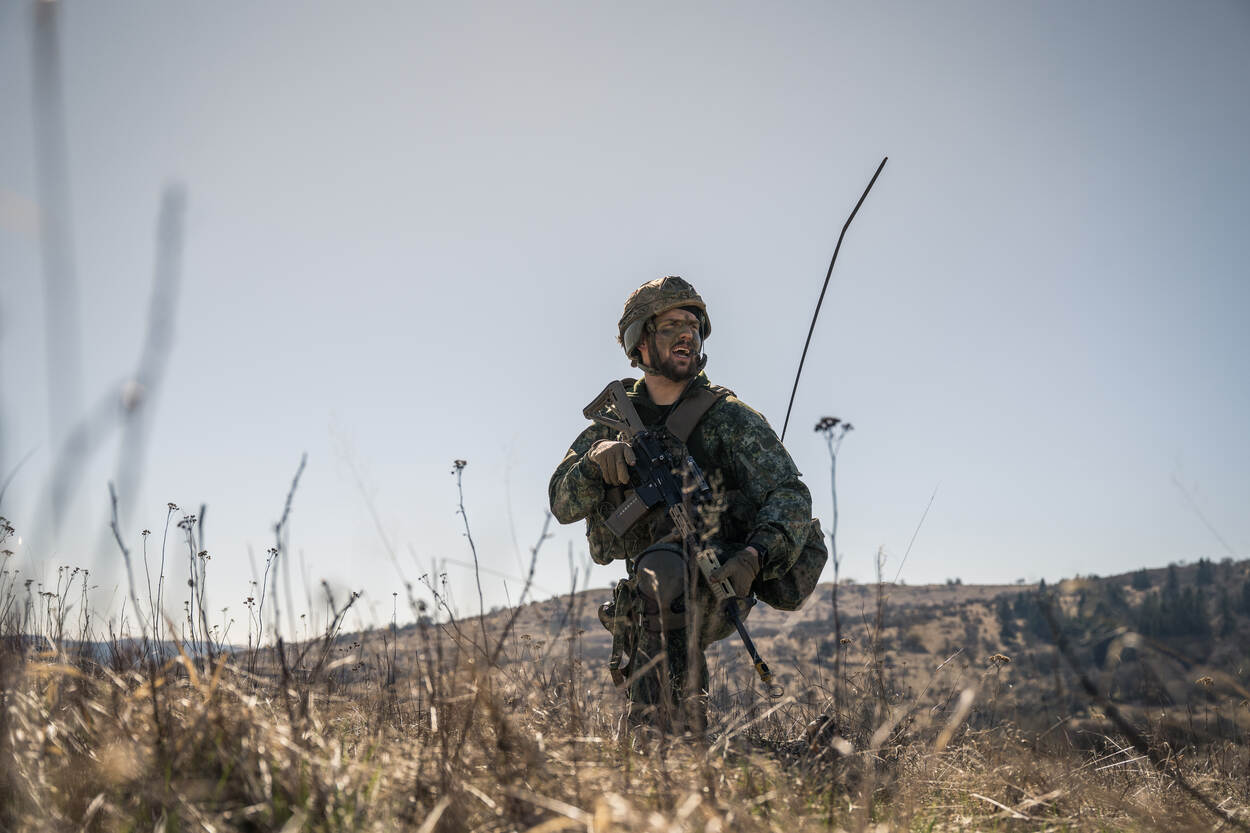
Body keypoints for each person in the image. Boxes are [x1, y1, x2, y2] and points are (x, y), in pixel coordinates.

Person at [548, 276, 825, 733]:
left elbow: (791, 495)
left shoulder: (728, 419)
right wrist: (596, 462)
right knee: (656, 581)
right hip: (648, 583)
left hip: (719, 573)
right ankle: (657, 743)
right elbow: (561, 502)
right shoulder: (612, 423)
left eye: (694, 326)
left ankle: (677, 738)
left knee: (667, 578)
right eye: (671, 324)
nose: (687, 335)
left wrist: (755, 557)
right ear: (639, 342)